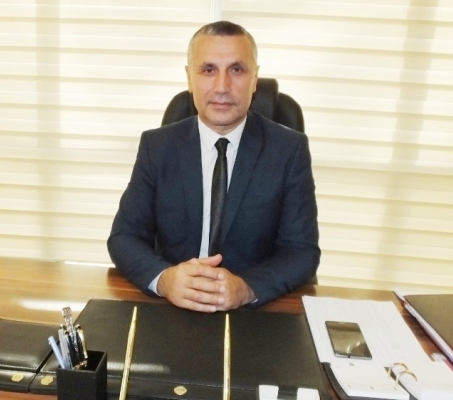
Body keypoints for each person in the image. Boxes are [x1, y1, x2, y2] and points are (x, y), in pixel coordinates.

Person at [107, 21, 319, 313]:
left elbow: (301, 251)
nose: (222, 87)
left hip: (255, 314)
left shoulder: (288, 151)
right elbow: (124, 237)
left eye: (237, 69)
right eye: (208, 70)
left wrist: (246, 289)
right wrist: (165, 280)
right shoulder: (157, 147)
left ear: (254, 79)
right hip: (172, 310)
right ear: (189, 78)